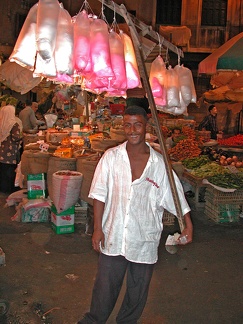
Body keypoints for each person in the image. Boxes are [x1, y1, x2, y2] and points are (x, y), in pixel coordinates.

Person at [78, 106, 193, 324]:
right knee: (104, 289)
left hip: (144, 238)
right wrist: (97, 229)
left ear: (146, 127)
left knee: (137, 292)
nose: (132, 130)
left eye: (137, 124)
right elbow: (99, 195)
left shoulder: (159, 164)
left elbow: (176, 197)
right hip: (113, 235)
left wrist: (188, 225)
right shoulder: (111, 158)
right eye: (128, 124)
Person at [0, 105, 23, 193]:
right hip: (10, 151)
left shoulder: (1, 123)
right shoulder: (13, 124)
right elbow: (15, 137)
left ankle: (3, 188)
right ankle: (9, 189)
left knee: (3, 169)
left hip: (2, 150)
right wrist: (22, 136)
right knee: (10, 170)